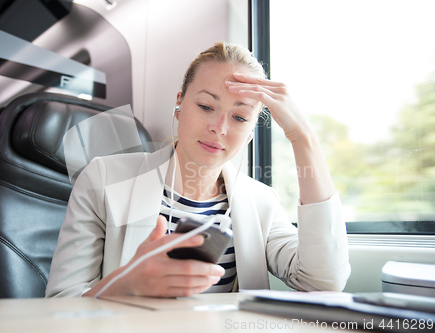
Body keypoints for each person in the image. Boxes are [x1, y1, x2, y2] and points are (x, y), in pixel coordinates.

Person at [45, 42, 351, 298]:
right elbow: (60, 305)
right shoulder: (103, 180)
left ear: (251, 133)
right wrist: (126, 285)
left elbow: (322, 284)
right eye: (206, 106)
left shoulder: (261, 202)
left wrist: (303, 137)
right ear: (179, 104)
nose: (219, 128)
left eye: (240, 118)